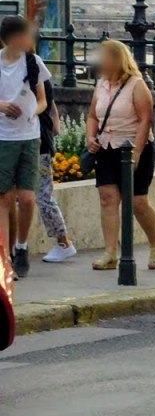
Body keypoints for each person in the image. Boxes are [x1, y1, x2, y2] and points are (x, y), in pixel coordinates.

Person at [85, 39, 155, 271]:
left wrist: (136, 153)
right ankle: (110, 252)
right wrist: (90, 138)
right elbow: (92, 116)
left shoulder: (136, 85)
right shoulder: (100, 84)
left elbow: (145, 120)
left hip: (133, 147)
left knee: (138, 202)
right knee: (107, 198)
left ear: (118, 59)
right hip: (106, 147)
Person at [0, 16, 49, 285]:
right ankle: (5, 257)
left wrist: (34, 111)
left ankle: (21, 245)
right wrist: (3, 106)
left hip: (29, 135)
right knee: (4, 200)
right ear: (10, 38)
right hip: (3, 136)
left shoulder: (32, 62)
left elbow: (42, 100)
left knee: (28, 198)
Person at [31, 36, 75, 264]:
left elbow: (44, 101)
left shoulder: (31, 65)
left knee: (42, 194)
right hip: (38, 137)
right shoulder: (33, 64)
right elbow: (51, 101)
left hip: (36, 140)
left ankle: (64, 241)